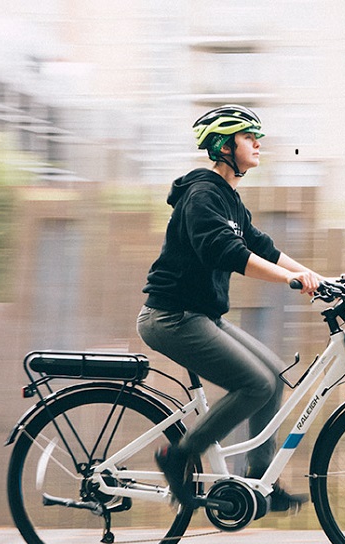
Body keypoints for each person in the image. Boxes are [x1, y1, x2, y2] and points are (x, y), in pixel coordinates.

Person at [137, 104, 322, 512]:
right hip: (171, 318)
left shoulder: (229, 199)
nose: (257, 143)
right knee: (254, 384)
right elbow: (227, 252)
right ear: (224, 146)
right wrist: (290, 281)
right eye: (248, 137)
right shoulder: (201, 195)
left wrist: (318, 279)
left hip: (200, 316)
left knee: (272, 375)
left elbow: (263, 246)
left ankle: (260, 481)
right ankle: (179, 455)